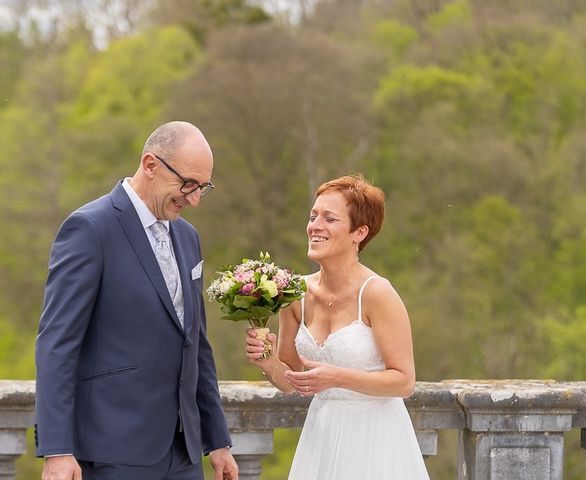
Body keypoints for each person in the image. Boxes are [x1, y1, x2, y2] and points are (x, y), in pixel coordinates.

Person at [35, 121, 239, 480]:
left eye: (202, 188)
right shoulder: (89, 229)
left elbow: (196, 345)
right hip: (113, 451)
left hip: (185, 455)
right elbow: (57, 344)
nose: (193, 199)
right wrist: (57, 449)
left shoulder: (188, 237)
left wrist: (217, 441)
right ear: (150, 164)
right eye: (187, 184)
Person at [245, 174, 430, 479]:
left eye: (329, 218)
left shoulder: (377, 293)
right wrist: (267, 363)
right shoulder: (295, 294)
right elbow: (291, 381)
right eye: (313, 215)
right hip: (322, 438)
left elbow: (404, 381)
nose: (314, 225)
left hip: (376, 442)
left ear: (359, 232)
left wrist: (338, 377)